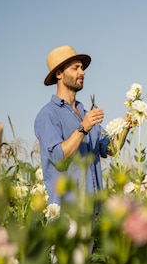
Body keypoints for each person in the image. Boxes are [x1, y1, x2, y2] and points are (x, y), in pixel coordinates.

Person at [35, 45, 133, 205]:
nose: (83, 72)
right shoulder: (48, 115)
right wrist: (83, 128)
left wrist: (126, 127)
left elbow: (111, 149)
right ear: (59, 74)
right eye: (76, 68)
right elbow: (59, 157)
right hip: (69, 215)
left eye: (82, 68)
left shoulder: (85, 113)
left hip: (94, 211)